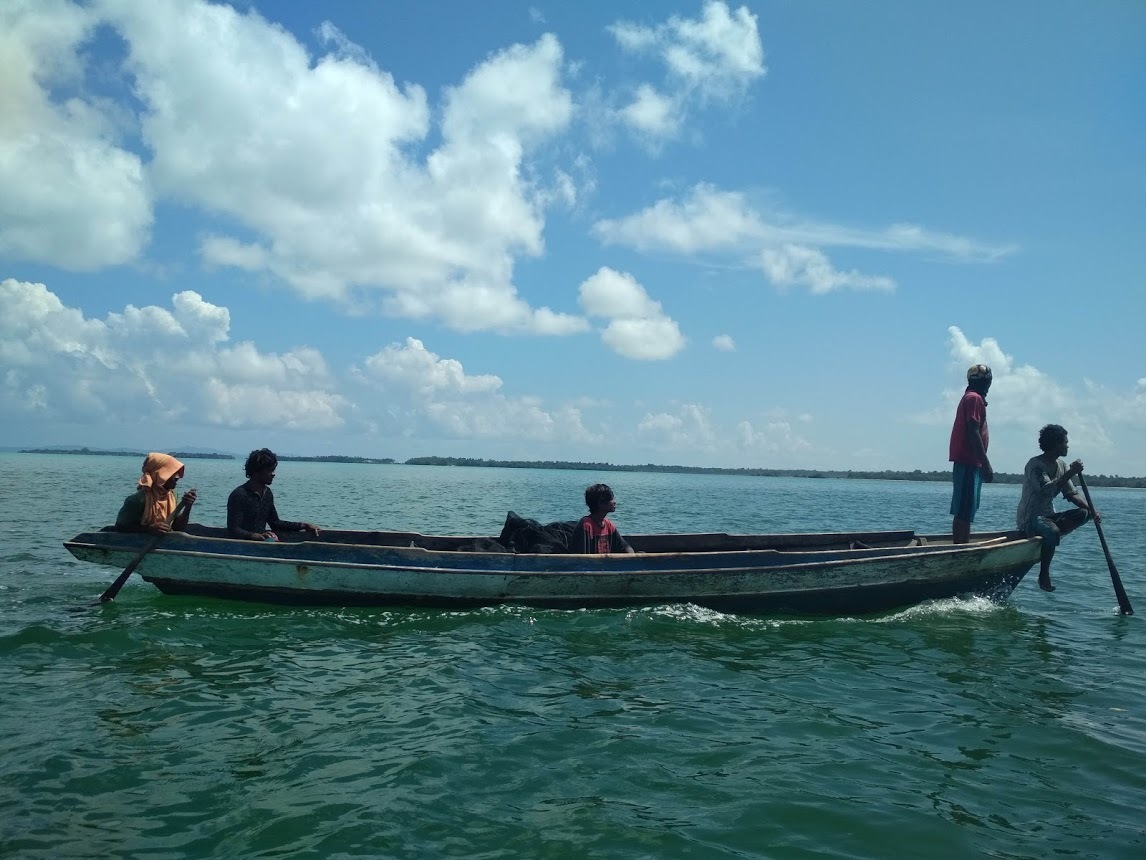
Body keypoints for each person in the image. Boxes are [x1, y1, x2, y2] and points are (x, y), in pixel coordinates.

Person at [1016, 424, 1098, 592]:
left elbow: (1072, 494)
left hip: (1048, 517)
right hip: (1031, 519)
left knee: (1084, 513)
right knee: (1052, 531)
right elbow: (1046, 490)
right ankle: (1044, 574)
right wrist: (1071, 473)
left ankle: (1049, 537)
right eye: (1065, 443)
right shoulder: (1035, 465)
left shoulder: (1061, 465)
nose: (1067, 446)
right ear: (1055, 444)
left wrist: (1092, 510)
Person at [226, 448, 320, 541]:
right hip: (242, 546)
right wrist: (253, 535)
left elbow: (275, 523)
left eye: (273, 470)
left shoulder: (267, 493)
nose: (274, 474)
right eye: (270, 470)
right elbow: (233, 529)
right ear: (256, 471)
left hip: (260, 543)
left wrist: (303, 526)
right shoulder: (239, 495)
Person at [949, 364, 994, 544]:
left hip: (970, 462)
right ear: (986, 382)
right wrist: (986, 463)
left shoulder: (972, 398)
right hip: (969, 461)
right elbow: (973, 430)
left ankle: (961, 546)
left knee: (966, 509)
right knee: (965, 510)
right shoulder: (974, 398)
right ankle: (961, 550)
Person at [115, 452, 197, 534]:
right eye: (172, 473)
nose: (177, 477)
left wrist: (188, 507)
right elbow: (120, 527)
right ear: (159, 475)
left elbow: (178, 528)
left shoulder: (172, 495)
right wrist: (148, 529)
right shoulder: (137, 500)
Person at [569, 483, 635, 554]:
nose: (614, 502)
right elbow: (583, 557)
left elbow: (625, 547)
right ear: (600, 503)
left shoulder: (608, 525)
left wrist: (632, 556)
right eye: (611, 499)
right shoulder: (586, 525)